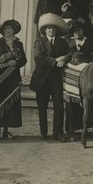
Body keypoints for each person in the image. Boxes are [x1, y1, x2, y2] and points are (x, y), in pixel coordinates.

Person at [29, 13, 71, 142]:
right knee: (42, 107)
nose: (51, 30)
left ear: (56, 30)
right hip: (42, 79)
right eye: (48, 28)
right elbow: (38, 58)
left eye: (53, 28)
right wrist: (55, 60)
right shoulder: (39, 42)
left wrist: (64, 60)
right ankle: (43, 131)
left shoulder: (62, 42)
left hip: (56, 80)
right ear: (44, 30)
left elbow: (69, 54)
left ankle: (57, 133)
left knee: (59, 106)